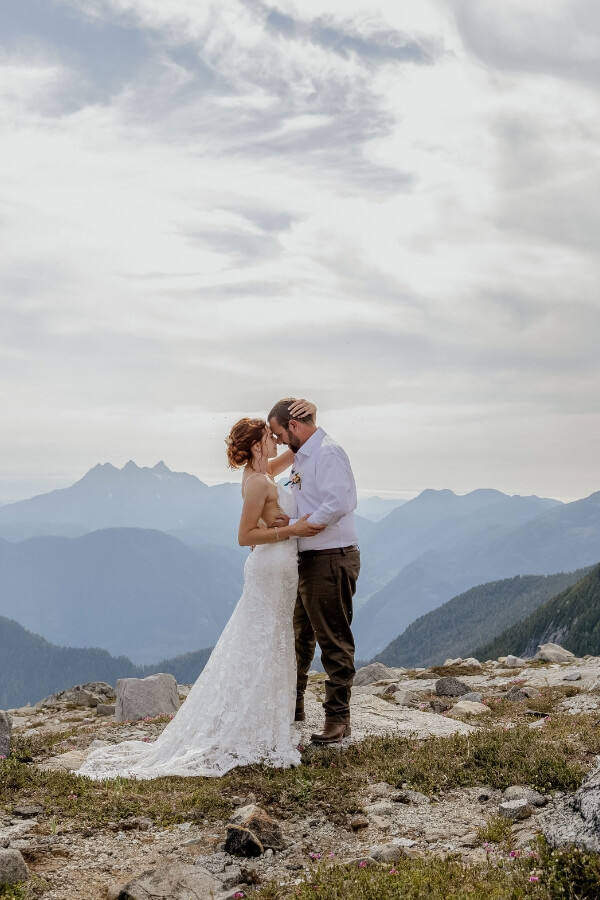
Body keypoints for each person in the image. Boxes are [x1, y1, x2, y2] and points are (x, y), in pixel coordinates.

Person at [77, 401, 323, 779]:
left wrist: (310, 416)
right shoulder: (257, 481)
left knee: (271, 641)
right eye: (268, 437)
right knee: (263, 640)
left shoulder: (262, 472)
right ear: (258, 445)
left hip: (280, 567)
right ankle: (252, 722)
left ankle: (260, 715)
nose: (275, 441)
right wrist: (291, 530)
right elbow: (244, 536)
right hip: (270, 568)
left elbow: (295, 449)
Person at [268, 399, 360, 744]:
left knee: (333, 639)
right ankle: (294, 709)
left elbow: (338, 502)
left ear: (293, 426)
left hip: (330, 556)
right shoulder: (305, 455)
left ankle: (338, 719)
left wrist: (299, 527)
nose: (277, 441)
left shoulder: (328, 453)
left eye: (278, 433)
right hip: (307, 559)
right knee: (300, 638)